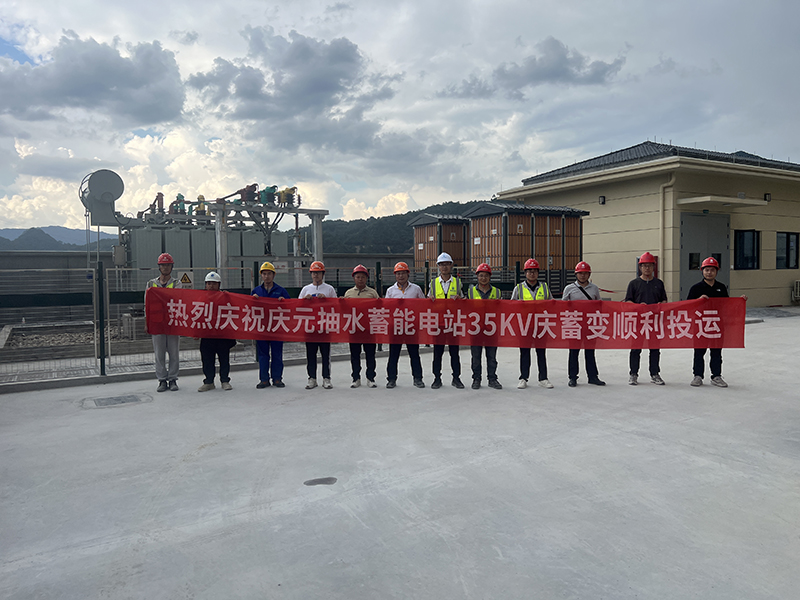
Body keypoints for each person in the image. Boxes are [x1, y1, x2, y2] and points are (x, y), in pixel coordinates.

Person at [687, 256, 747, 388]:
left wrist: (739, 301)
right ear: (702, 271)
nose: (709, 272)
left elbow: (727, 306)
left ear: (717, 271)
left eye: (712, 270)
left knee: (716, 352)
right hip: (701, 326)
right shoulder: (696, 288)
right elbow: (688, 306)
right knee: (699, 352)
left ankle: (716, 376)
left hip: (716, 325)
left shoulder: (721, 287)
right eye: (707, 270)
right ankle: (698, 376)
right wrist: (698, 300)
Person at [624, 252, 668, 385]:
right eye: (644, 266)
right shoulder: (634, 284)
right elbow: (628, 302)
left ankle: (655, 373)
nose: (647, 268)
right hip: (638, 322)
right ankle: (633, 374)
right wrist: (638, 306)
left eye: (649, 266)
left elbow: (664, 300)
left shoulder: (659, 283)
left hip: (654, 321)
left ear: (654, 267)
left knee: (654, 349)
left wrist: (661, 305)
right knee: (635, 349)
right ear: (640, 268)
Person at [511, 258, 554, 389]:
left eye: (534, 271)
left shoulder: (544, 287)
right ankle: (523, 378)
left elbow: (552, 303)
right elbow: (511, 306)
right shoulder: (519, 288)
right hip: (525, 326)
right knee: (524, 352)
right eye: (529, 271)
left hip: (541, 325)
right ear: (525, 273)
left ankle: (543, 378)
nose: (532, 274)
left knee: (541, 352)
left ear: (538, 273)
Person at [561, 261, 605, 387]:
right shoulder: (569, 288)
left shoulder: (594, 288)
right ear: (576, 274)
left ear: (589, 274)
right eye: (580, 273)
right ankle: (572, 377)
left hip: (590, 325)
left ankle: (593, 377)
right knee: (574, 352)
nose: (583, 276)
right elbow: (563, 306)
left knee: (590, 352)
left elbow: (599, 305)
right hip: (574, 325)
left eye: (585, 273)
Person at [385, 262, 425, 389]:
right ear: (395, 275)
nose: (400, 276)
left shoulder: (416, 289)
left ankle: (418, 378)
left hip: (411, 327)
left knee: (414, 354)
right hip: (396, 327)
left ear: (408, 274)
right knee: (393, 354)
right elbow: (386, 309)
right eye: (398, 273)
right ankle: (391, 379)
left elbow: (423, 305)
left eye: (403, 273)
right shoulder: (390, 291)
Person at [428, 252, 464, 389]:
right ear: (438, 266)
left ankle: (456, 378)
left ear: (451, 265)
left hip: (453, 323)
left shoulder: (458, 282)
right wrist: (430, 300)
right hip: (439, 324)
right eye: (441, 264)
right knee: (437, 353)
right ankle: (437, 378)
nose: (444, 267)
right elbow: (428, 302)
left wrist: (460, 299)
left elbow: (464, 301)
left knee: (455, 353)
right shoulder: (433, 283)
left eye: (447, 264)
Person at [146, 252, 182, 392]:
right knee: (159, 354)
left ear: (172, 267)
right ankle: (162, 380)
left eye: (168, 265)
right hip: (157, 323)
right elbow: (147, 304)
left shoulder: (177, 283)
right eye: (163, 265)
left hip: (172, 323)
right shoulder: (151, 284)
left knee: (174, 353)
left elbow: (179, 300)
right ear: (159, 267)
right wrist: (147, 322)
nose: (165, 267)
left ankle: (172, 379)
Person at [251, 261, 290, 389]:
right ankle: (264, 380)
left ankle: (277, 378)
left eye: (269, 274)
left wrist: (284, 302)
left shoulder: (281, 291)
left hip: (276, 328)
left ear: (274, 275)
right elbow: (249, 309)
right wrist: (253, 301)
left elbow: (291, 307)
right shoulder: (256, 291)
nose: (266, 276)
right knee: (263, 355)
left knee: (277, 354)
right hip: (261, 328)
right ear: (261, 275)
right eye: (264, 274)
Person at [299, 261, 337, 389]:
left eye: (318, 273)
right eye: (314, 273)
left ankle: (326, 378)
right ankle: (312, 378)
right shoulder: (306, 289)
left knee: (325, 354)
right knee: (311, 354)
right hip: (310, 328)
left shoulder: (329, 289)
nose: (316, 275)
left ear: (323, 274)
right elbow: (298, 306)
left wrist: (326, 300)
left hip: (324, 327)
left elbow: (336, 306)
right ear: (311, 274)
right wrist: (305, 300)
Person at [198, 272, 236, 392]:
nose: (211, 286)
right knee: (207, 359)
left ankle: (225, 380)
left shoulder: (225, 297)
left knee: (224, 359)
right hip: (207, 334)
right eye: (209, 283)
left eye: (214, 283)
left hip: (222, 335)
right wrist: (196, 332)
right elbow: (196, 316)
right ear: (205, 285)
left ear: (219, 284)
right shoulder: (201, 298)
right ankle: (209, 382)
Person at [467, 263, 502, 390]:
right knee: (476, 357)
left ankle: (492, 379)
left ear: (490, 277)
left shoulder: (497, 292)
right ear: (477, 276)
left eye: (486, 275)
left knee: (491, 357)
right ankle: (476, 379)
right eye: (481, 275)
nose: (483, 278)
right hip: (476, 329)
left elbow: (502, 310)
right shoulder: (470, 292)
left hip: (491, 329)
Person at [344, 264, 379, 388]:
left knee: (370, 355)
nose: (360, 279)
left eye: (363, 277)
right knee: (355, 355)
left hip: (369, 329)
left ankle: (370, 378)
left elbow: (380, 308)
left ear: (366, 278)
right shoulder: (348, 293)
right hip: (354, 329)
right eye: (358, 277)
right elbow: (344, 310)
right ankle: (356, 378)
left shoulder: (372, 293)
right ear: (354, 278)